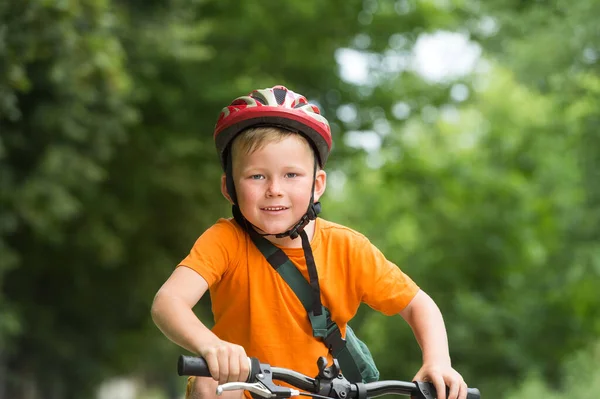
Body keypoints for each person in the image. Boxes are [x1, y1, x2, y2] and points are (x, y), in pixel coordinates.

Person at [151, 85, 468, 399]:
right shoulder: (225, 241)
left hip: (325, 392)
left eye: (291, 175)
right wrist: (212, 346)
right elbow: (168, 302)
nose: (274, 189)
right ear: (229, 187)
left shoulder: (347, 248)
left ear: (317, 185)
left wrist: (438, 362)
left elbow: (418, 304)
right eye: (257, 176)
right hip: (245, 390)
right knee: (210, 384)